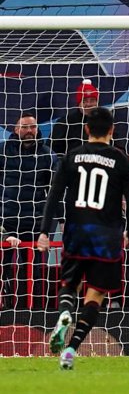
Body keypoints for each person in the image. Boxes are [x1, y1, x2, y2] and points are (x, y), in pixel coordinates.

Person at [37, 107, 129, 370]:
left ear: (86, 130)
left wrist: (45, 232)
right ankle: (71, 349)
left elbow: (53, 196)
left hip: (76, 232)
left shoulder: (71, 157)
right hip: (107, 237)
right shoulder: (123, 160)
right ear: (112, 130)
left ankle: (63, 315)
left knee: (69, 285)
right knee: (95, 296)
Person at [0, 113, 58, 308]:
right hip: (6, 220)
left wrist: (58, 221)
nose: (29, 131)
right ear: (16, 130)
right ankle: (5, 308)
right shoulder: (2, 151)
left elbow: (56, 191)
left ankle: (34, 310)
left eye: (32, 127)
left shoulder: (48, 154)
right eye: (24, 127)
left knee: (36, 271)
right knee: (3, 268)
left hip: (34, 221)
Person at [50, 79, 100, 157]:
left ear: (97, 102)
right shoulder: (64, 123)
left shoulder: (105, 122)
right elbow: (52, 151)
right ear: (78, 103)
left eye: (92, 100)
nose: (89, 104)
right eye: (84, 101)